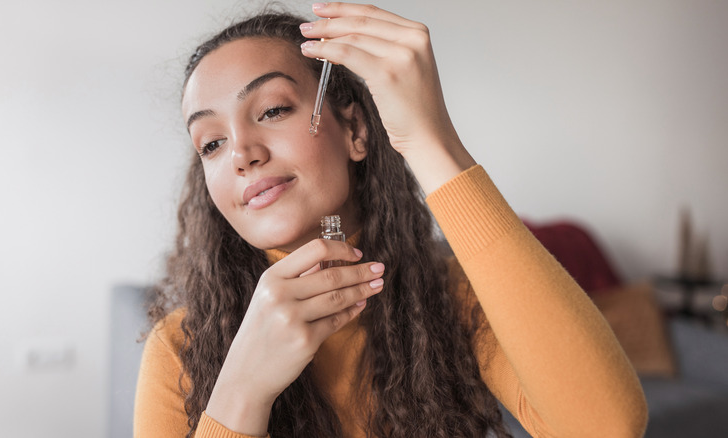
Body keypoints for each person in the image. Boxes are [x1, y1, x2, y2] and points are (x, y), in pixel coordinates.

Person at [134, 3, 648, 437]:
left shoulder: (453, 299)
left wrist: (429, 138)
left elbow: (607, 427)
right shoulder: (181, 347)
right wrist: (241, 391)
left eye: (271, 110)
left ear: (355, 128)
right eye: (211, 144)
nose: (241, 153)